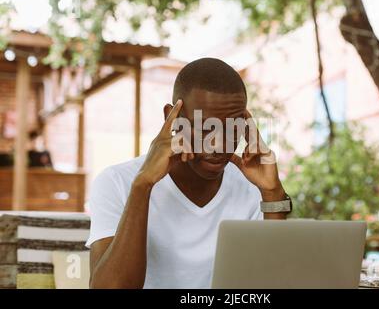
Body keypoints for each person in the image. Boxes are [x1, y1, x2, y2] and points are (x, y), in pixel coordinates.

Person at [87, 58, 291, 289]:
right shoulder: (117, 182)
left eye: (232, 128)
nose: (219, 144)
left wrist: (272, 192)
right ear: (172, 117)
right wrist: (143, 185)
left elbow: (274, 283)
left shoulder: (254, 189)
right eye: (206, 128)